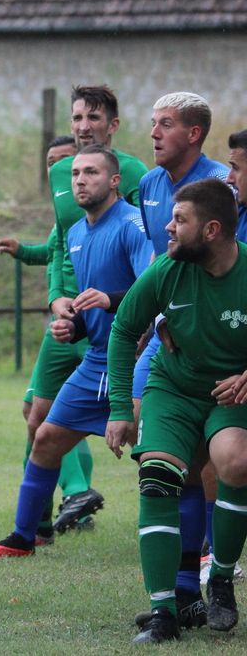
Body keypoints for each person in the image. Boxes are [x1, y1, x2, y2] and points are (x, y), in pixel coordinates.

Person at [0, 145, 152, 559]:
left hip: (136, 360)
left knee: (160, 454)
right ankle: (26, 537)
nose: (80, 180)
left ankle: (201, 548)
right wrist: (75, 326)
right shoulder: (75, 233)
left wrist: (109, 299)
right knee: (46, 437)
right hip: (96, 358)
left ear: (115, 180)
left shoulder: (131, 224)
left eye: (90, 172)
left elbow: (152, 291)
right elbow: (95, 307)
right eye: (75, 175)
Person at [106, 178, 247, 643]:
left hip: (231, 396)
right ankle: (164, 611)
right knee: (158, 476)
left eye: (179, 220)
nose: (167, 227)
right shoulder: (167, 269)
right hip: (174, 387)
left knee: (236, 461)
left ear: (211, 230)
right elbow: (125, 329)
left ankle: (220, 578)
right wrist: (120, 407)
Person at [131, 92, 228, 623]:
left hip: (217, 342)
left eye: (164, 124)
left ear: (193, 133)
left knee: (216, 459)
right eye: (152, 124)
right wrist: (156, 320)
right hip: (166, 335)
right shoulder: (148, 184)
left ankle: (216, 573)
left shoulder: (219, 188)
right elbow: (160, 262)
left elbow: (224, 268)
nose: (153, 134)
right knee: (163, 454)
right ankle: (185, 585)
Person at [37, 84, 150, 532]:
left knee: (141, 427)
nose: (84, 127)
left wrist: (116, 303)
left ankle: (190, 527)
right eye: (77, 118)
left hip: (117, 323)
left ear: (113, 125)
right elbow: (61, 241)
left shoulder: (138, 172)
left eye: (94, 118)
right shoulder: (61, 171)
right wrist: (56, 298)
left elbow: (141, 242)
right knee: (37, 413)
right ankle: (45, 520)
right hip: (73, 316)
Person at [0, 135, 93, 544]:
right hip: (62, 323)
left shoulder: (103, 219)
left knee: (55, 418)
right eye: (53, 165)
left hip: (87, 325)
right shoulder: (63, 222)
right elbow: (53, 255)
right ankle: (45, 518)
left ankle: (73, 495)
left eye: (69, 164)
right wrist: (22, 251)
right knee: (35, 413)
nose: (65, 176)